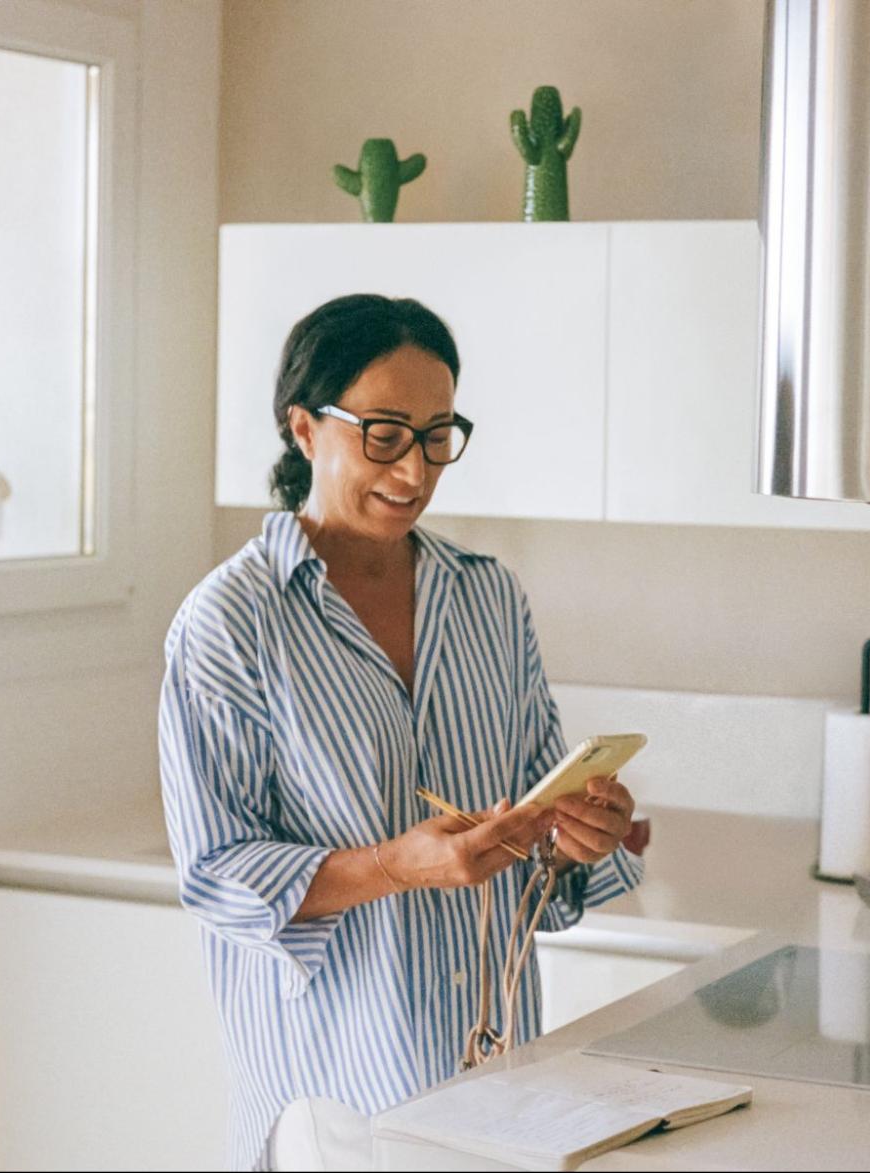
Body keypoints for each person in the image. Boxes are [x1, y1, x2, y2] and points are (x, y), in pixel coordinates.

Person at [159, 293, 645, 1169]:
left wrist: (577, 838)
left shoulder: (489, 597)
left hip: (493, 1070)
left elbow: (540, 835)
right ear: (304, 429)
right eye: (382, 434)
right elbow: (215, 876)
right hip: (336, 1091)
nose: (414, 470)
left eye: (435, 435)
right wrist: (396, 866)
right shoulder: (229, 622)